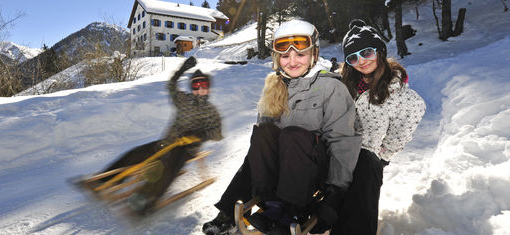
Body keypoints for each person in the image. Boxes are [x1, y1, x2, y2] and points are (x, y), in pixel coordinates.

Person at [202, 20, 361, 235]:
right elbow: (261, 149)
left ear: (314, 54)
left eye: (300, 54)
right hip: (282, 168)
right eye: (285, 56)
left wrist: (336, 192)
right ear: (277, 59)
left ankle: (289, 213)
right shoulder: (274, 87)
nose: (292, 61)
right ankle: (259, 206)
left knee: (293, 135)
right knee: (263, 134)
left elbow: (343, 140)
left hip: (315, 171)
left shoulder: (330, 87)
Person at [92, 56, 223, 214]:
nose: (200, 89)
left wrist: (202, 134)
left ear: (208, 88)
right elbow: (171, 86)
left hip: (186, 149)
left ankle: (145, 200)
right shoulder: (183, 100)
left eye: (203, 85)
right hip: (168, 142)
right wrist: (181, 69)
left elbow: (217, 134)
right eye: (196, 85)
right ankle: (104, 180)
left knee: (167, 168)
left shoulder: (211, 111)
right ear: (192, 88)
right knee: (136, 153)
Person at [331, 19, 426, 234]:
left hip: (364, 159)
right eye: (353, 57)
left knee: (366, 164)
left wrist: (381, 158)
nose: (361, 61)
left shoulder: (404, 98)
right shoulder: (341, 84)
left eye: (366, 53)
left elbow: (398, 136)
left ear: (380, 51)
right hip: (333, 150)